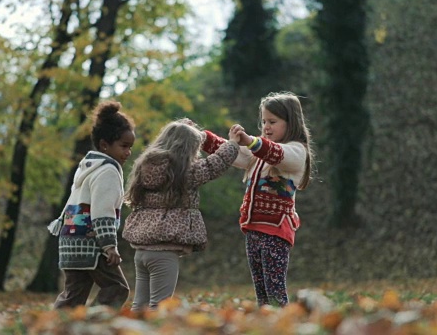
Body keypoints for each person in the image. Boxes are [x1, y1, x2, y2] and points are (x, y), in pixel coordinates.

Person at [202, 91, 314, 307]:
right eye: (264, 121)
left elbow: (276, 154)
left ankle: (282, 324)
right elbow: (234, 153)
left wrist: (250, 140)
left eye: (272, 121)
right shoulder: (258, 154)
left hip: (276, 230)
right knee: (261, 290)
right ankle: (266, 323)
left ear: (291, 123)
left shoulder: (297, 152)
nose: (266, 127)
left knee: (275, 289)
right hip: (253, 230)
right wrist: (202, 137)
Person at [121, 119, 241, 311]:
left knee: (140, 305)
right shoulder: (181, 172)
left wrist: (186, 130)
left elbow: (179, 138)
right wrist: (233, 144)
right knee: (159, 307)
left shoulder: (145, 165)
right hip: (163, 252)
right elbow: (213, 165)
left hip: (141, 251)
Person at [51, 100, 135, 309]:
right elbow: (102, 212)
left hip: (70, 240)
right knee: (117, 288)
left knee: (73, 295)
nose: (128, 152)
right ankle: (92, 325)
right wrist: (109, 245)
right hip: (91, 243)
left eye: (130, 147)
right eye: (124, 146)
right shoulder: (107, 171)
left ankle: (56, 327)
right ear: (105, 144)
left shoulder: (87, 167)